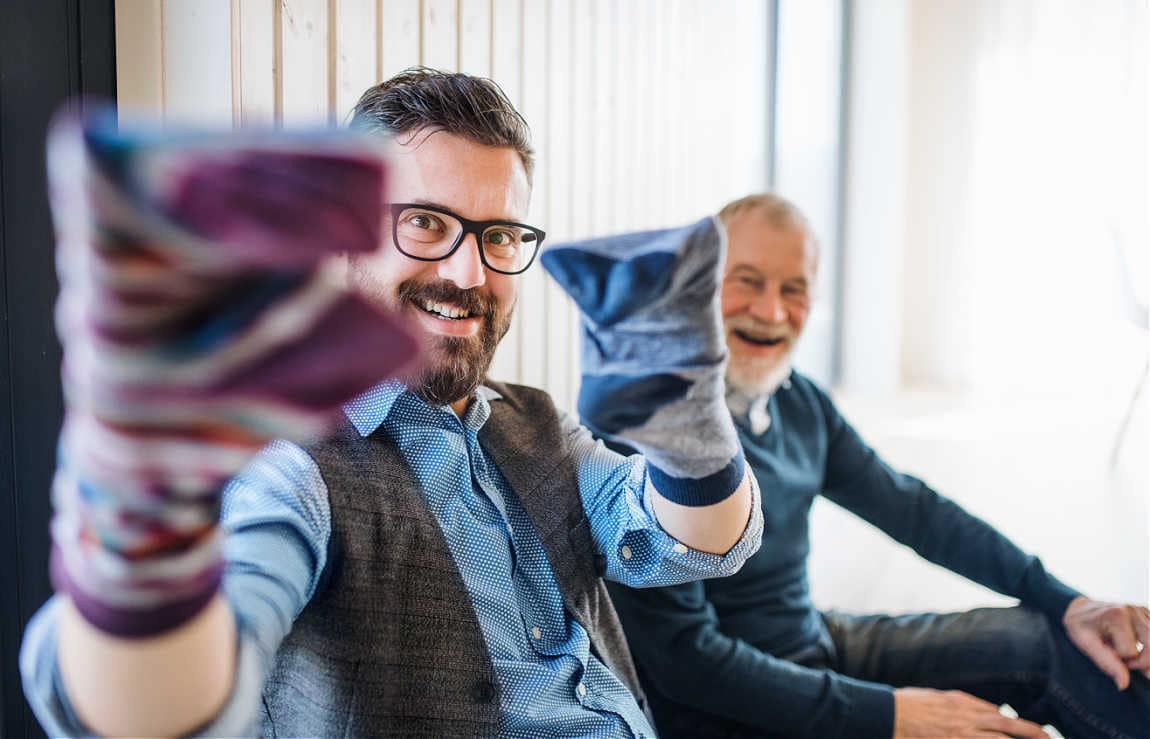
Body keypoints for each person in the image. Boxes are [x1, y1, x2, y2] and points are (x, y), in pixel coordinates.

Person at [20, 68, 761, 737]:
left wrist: (685, 430)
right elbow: (164, 703)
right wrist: (144, 518)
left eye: (498, 234)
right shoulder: (294, 464)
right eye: (426, 223)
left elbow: (691, 540)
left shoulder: (538, 425)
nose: (467, 271)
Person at [606, 193, 1150, 739]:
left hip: (815, 643)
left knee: (1054, 640)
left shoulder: (798, 402)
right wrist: (891, 715)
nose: (771, 312)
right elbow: (688, 666)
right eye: (746, 280)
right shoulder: (651, 426)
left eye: (793, 290)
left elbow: (915, 512)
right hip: (733, 712)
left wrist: (1071, 601)